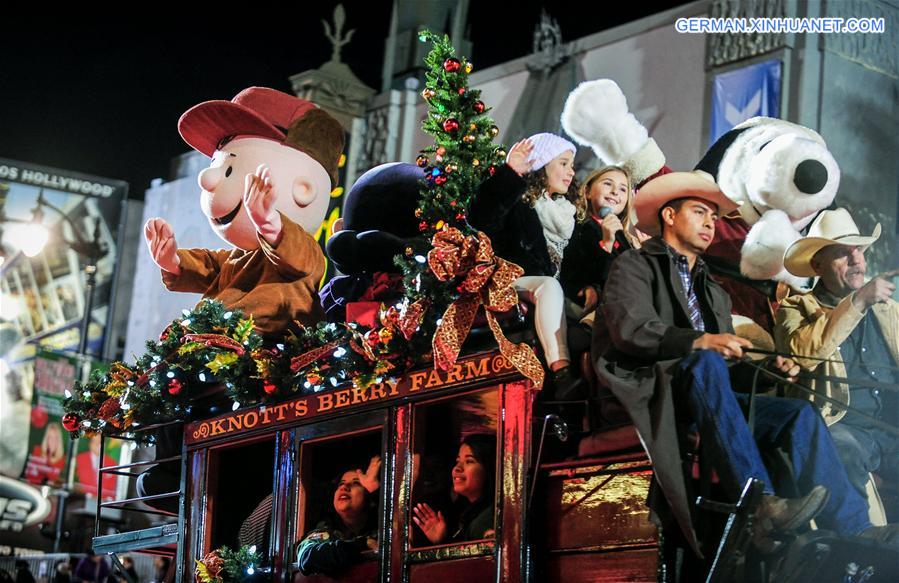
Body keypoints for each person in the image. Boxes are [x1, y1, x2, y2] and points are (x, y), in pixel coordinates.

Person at [591, 170, 897, 554]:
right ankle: (762, 504)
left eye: (714, 217)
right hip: (652, 390)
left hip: (707, 393)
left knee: (798, 413)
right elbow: (631, 329)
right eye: (700, 212)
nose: (709, 223)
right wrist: (700, 340)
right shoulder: (635, 265)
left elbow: (728, 361)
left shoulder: (712, 290)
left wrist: (768, 368)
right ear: (669, 217)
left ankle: (855, 528)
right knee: (704, 362)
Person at [775, 208, 898, 505]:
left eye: (860, 251)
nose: (857, 260)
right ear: (818, 265)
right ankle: (857, 543)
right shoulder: (796, 307)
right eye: (844, 254)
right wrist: (857, 302)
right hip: (842, 428)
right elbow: (803, 354)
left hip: (890, 428)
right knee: (842, 449)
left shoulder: (886, 308)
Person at [469, 134, 586, 398]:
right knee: (548, 285)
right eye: (564, 163)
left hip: (550, 291)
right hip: (509, 282)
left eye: (572, 165)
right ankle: (562, 370)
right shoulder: (519, 202)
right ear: (543, 164)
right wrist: (511, 173)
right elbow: (481, 218)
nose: (571, 171)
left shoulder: (568, 215)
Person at [560, 165, 649, 346]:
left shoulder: (625, 239)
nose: (615, 192)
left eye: (623, 189)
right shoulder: (577, 227)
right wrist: (606, 245)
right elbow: (575, 271)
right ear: (587, 192)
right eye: (608, 184)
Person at [296, 456, 380, 577]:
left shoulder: (381, 525)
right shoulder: (327, 526)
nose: (343, 487)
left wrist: (375, 490)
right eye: (341, 483)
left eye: (356, 483)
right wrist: (361, 545)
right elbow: (306, 556)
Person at [412, 433, 497, 544]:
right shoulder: (466, 513)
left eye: (469, 461)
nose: (457, 468)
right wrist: (441, 540)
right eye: (458, 461)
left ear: (489, 468)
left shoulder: (489, 519)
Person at [75, 433, 118, 499]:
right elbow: (76, 484)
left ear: (105, 444)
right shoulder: (79, 459)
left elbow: (114, 489)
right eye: (94, 441)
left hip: (104, 503)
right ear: (89, 444)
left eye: (100, 442)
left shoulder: (112, 463)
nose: (97, 444)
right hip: (82, 500)